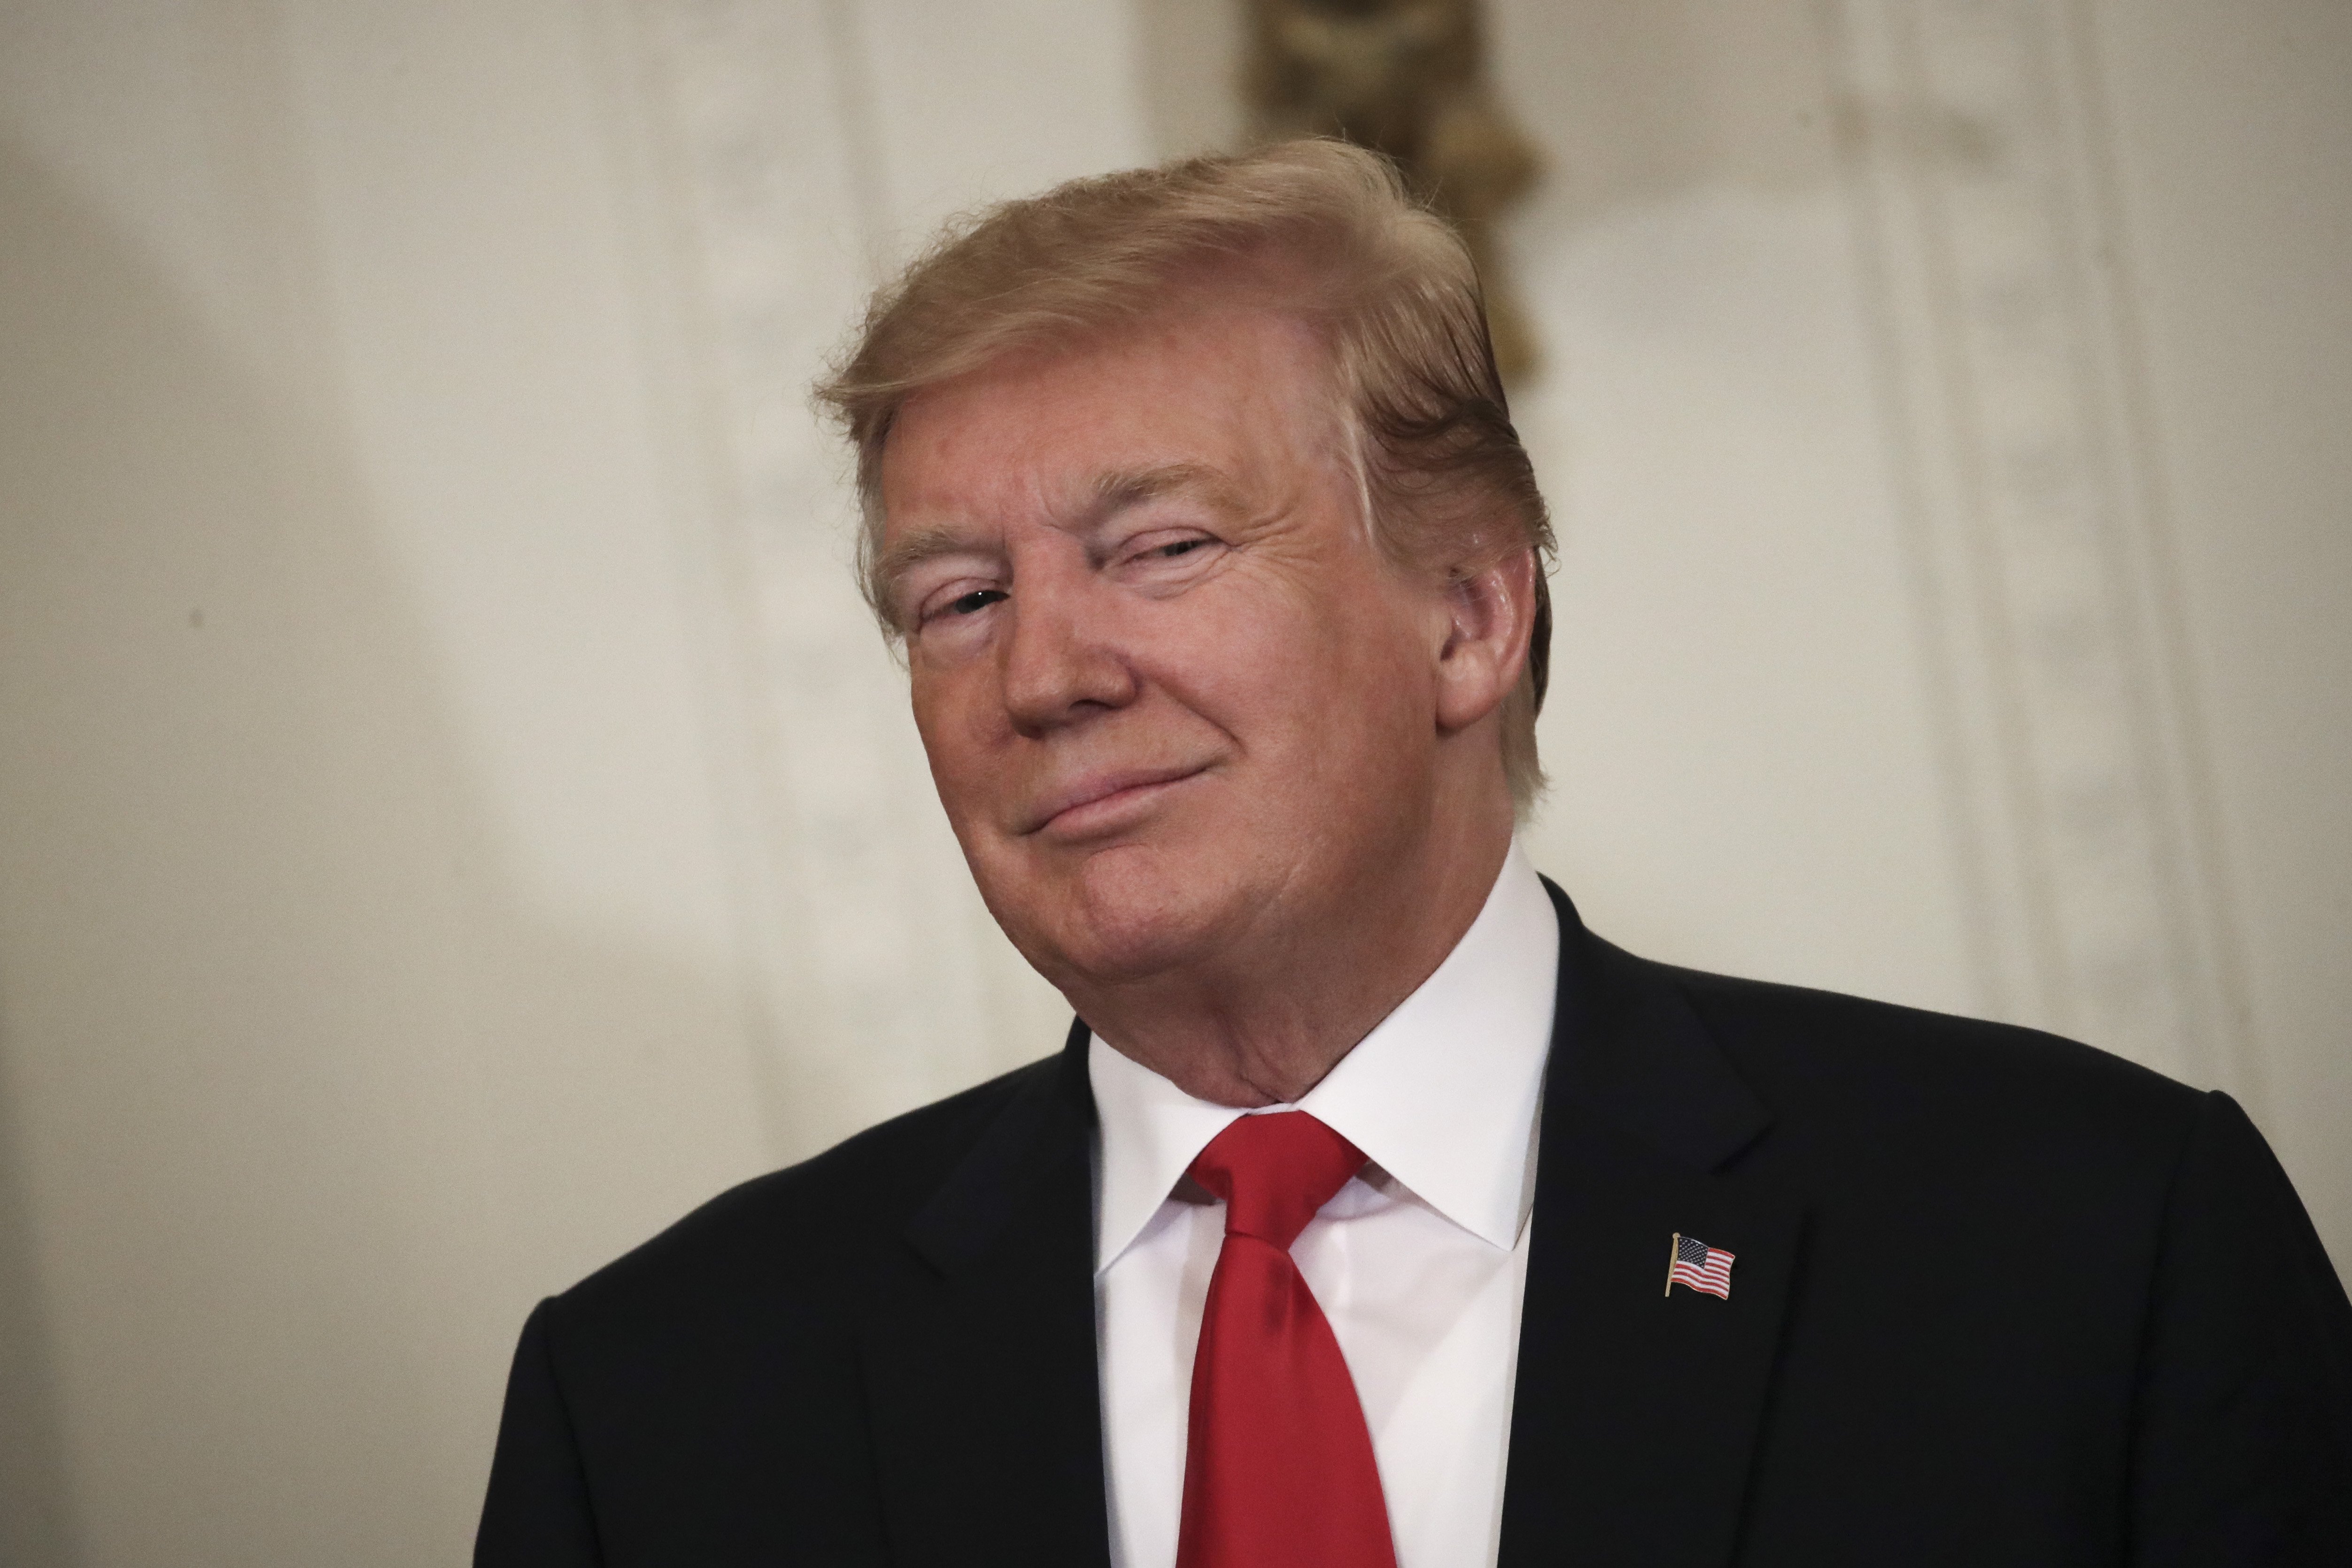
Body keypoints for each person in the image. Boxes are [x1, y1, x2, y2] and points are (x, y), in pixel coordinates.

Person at [475, 139, 2352, 1568]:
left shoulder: (2090, 1244)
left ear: (1466, 615)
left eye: (1159, 548)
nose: (1041, 673)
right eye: (955, 597)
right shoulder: (659, 1408)